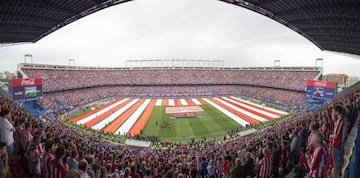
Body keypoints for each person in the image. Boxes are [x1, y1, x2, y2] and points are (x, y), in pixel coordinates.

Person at [330, 105, 345, 178]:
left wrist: (330, 136)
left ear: (337, 112)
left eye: (333, 112)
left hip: (337, 145)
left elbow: (336, 135)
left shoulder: (340, 121)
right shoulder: (339, 120)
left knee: (337, 165)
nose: (332, 113)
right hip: (338, 145)